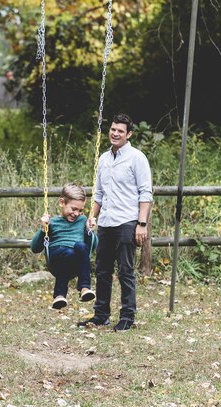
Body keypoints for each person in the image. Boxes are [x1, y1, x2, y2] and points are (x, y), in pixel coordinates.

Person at [78, 113, 153, 331]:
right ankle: (101, 315)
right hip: (107, 223)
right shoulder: (103, 159)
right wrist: (93, 216)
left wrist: (141, 224)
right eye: (113, 129)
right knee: (102, 271)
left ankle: (127, 316)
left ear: (128, 134)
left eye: (120, 130)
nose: (115, 133)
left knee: (125, 271)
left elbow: (145, 193)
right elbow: (99, 193)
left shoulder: (137, 158)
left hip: (127, 222)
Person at [30, 184, 97, 309]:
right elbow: (35, 248)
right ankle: (60, 295)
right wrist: (43, 228)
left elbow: (92, 247)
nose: (77, 213)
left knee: (81, 246)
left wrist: (90, 231)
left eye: (80, 210)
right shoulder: (53, 222)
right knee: (67, 253)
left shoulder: (82, 221)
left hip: (77, 259)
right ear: (62, 202)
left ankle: (84, 288)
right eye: (73, 209)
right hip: (57, 256)